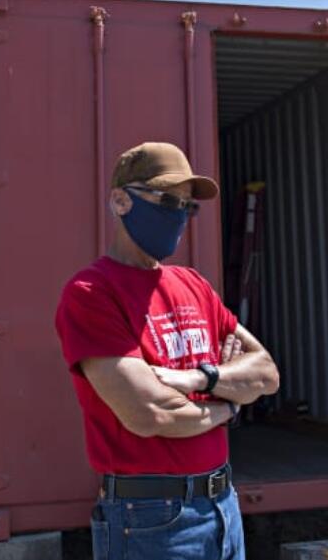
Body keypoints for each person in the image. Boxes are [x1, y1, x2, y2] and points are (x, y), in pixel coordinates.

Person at [55, 141, 280, 560]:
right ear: (120, 201)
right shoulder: (91, 293)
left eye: (186, 205)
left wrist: (201, 378)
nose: (178, 214)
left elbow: (266, 372)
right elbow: (149, 414)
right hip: (150, 520)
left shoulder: (193, 285)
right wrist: (229, 406)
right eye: (166, 200)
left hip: (223, 506)